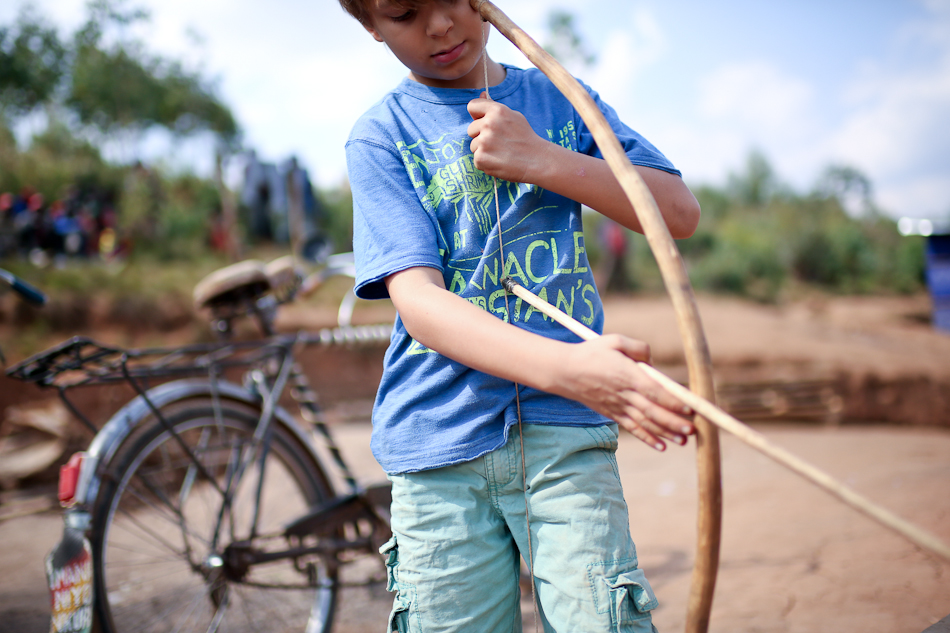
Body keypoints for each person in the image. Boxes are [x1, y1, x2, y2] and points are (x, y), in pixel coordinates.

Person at [339, 0, 702, 630]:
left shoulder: (562, 99)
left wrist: (543, 159)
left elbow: (675, 211)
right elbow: (421, 304)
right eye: (403, 13)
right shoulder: (381, 134)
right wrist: (571, 369)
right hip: (439, 445)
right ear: (370, 26)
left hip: (562, 437)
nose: (440, 26)